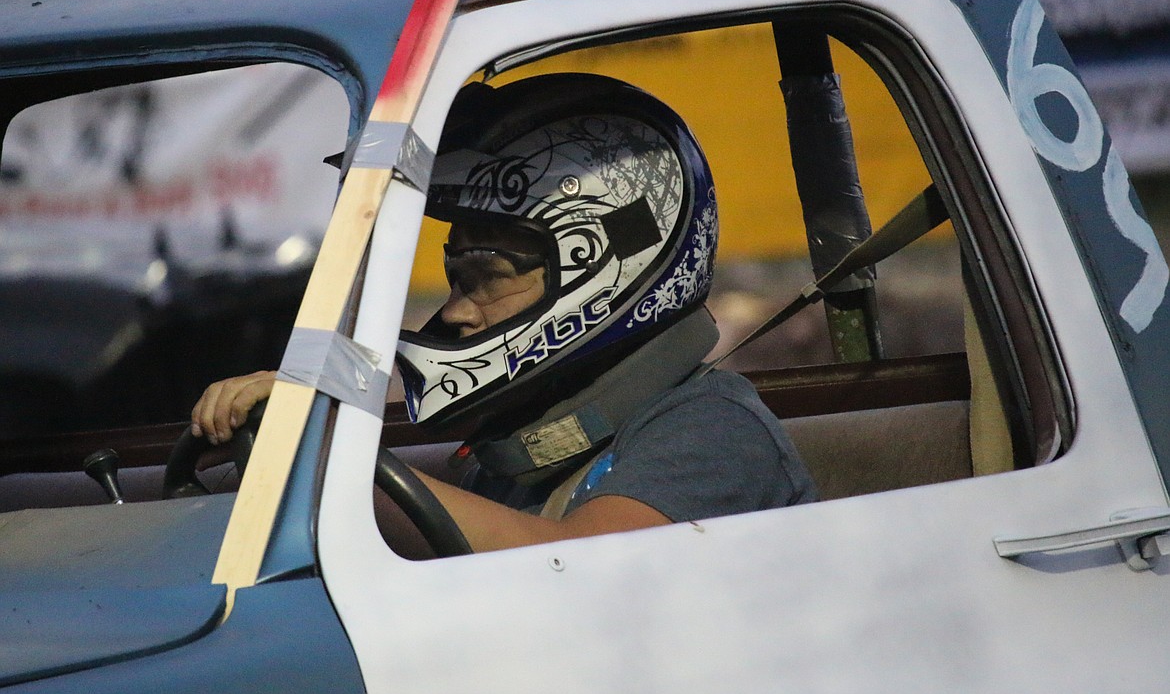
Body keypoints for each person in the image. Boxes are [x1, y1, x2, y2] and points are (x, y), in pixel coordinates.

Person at [191, 73, 815, 553]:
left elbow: (578, 573)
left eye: (485, 278)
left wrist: (331, 456)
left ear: (598, 261)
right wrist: (301, 413)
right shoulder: (522, 443)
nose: (457, 313)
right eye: (456, 279)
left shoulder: (713, 429)